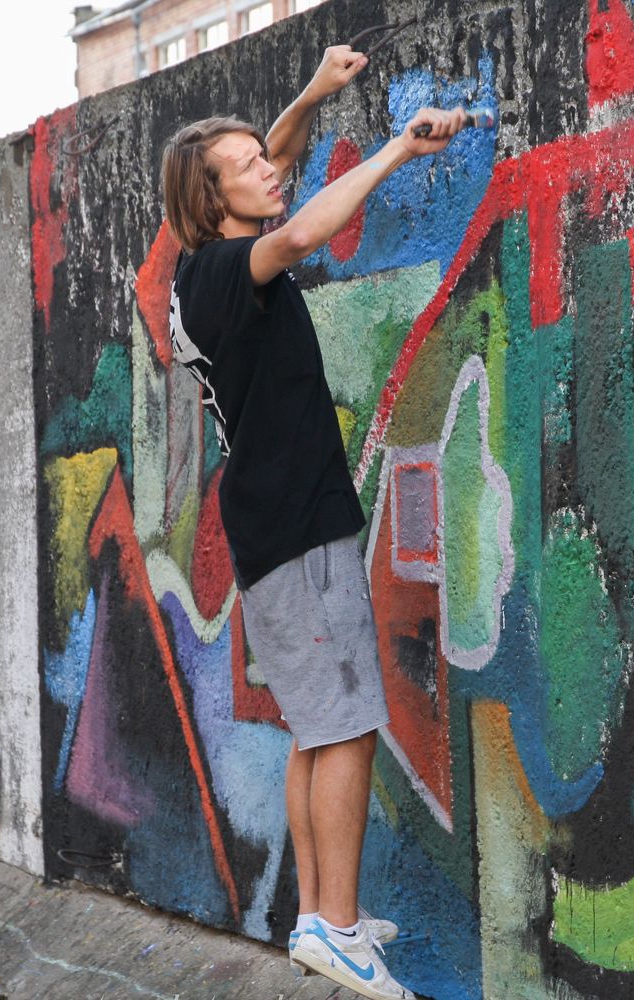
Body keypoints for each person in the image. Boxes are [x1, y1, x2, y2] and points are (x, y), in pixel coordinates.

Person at [161, 44, 464, 1000]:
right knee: (351, 724)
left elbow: (275, 169)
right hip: (297, 529)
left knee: (314, 728)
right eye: (248, 166)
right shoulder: (230, 269)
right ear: (213, 201)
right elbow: (295, 235)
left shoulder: (200, 269)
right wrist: (397, 150)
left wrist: (312, 92)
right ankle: (335, 926)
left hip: (273, 529)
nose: (272, 167)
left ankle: (316, 918)